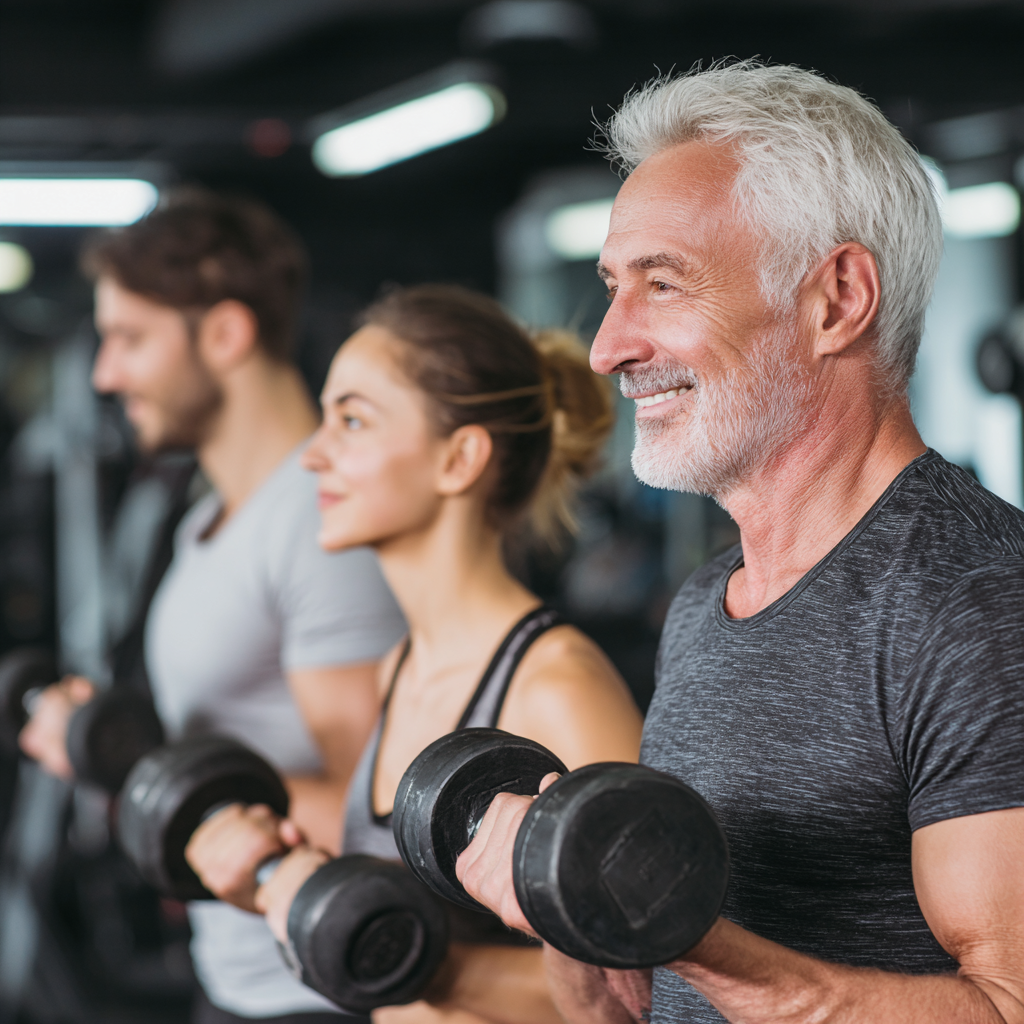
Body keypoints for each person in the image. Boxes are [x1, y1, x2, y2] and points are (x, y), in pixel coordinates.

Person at [452, 61, 1024, 1024]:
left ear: (837, 299)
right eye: (611, 287)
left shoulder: (977, 603)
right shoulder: (708, 602)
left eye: (662, 284)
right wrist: (575, 910)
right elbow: (650, 1005)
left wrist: (688, 936)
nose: (607, 345)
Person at [184, 284, 645, 1024]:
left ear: (458, 458)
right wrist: (275, 876)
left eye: (353, 421)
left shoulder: (556, 687)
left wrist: (397, 953)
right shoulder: (399, 664)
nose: (313, 454)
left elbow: (636, 995)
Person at [19, 189, 405, 1024]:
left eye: (129, 338)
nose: (104, 372)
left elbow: (374, 809)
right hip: (236, 972)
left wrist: (142, 764)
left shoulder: (317, 521)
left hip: (319, 991)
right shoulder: (206, 520)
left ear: (226, 334)